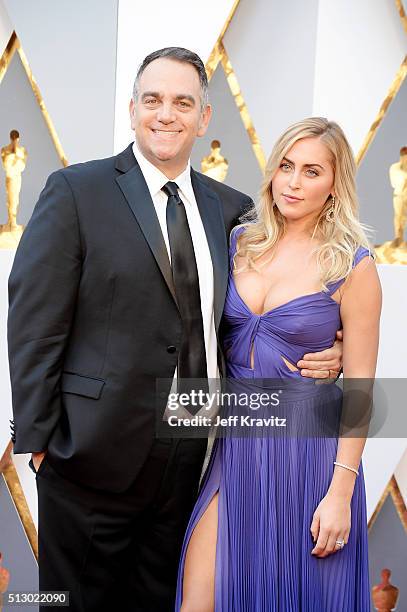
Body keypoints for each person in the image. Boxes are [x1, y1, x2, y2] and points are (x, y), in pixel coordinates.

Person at [8, 48, 342, 612]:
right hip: (88, 458)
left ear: (204, 117)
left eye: (182, 102)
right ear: (132, 108)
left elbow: (267, 304)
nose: (167, 114)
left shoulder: (234, 211)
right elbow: (33, 321)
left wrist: (328, 348)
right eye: (154, 100)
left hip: (194, 461)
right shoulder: (75, 192)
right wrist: (41, 443)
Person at [177, 117, 382, 612]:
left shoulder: (353, 267)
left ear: (335, 184)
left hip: (311, 462)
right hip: (234, 450)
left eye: (312, 171)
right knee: (198, 600)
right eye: (286, 166)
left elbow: (360, 391)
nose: (293, 182)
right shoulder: (237, 243)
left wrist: (340, 492)